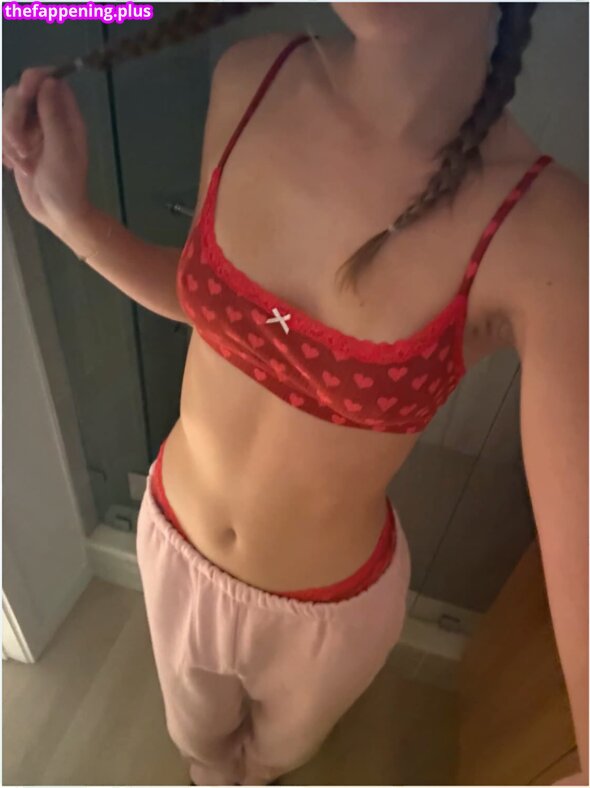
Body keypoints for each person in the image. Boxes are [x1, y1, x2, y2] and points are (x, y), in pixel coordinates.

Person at [3, 3, 587, 785]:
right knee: (199, 750)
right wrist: (70, 217)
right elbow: (226, 318)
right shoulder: (250, 76)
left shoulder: (547, 231)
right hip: (172, 542)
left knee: (276, 760)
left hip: (324, 616)